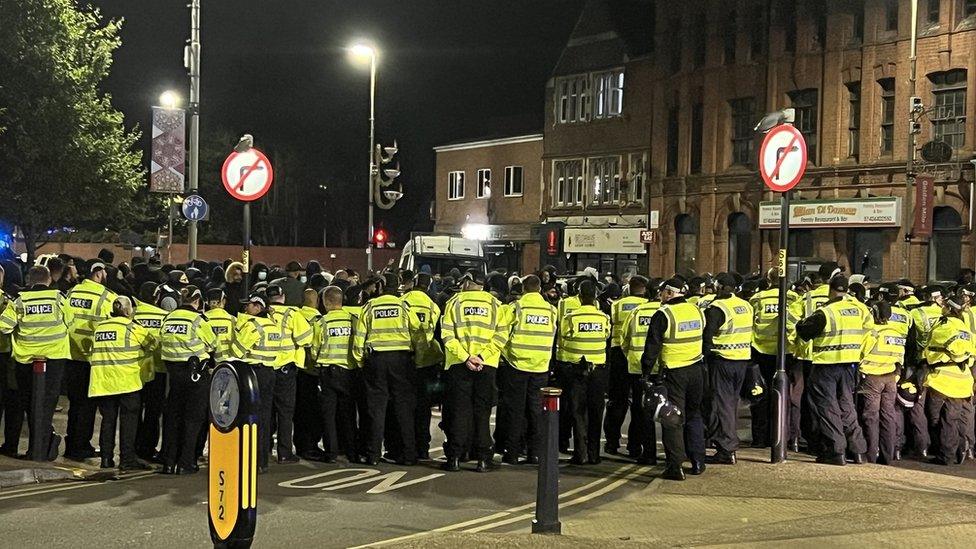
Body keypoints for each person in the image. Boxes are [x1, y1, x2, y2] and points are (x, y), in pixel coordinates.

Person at [0, 266, 73, 460]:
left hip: (26, 359)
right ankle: (42, 445)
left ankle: (40, 446)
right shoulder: (58, 298)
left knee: (30, 403)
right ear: (49, 279)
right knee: (47, 404)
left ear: (30, 280)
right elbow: (71, 321)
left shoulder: (19, 300)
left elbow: (4, 327)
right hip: (54, 358)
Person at [795, 275, 868, 465]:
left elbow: (804, 331)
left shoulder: (826, 312)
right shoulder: (857, 310)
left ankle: (836, 452)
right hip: (850, 365)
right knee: (847, 406)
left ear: (830, 289)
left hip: (826, 366)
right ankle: (858, 451)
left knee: (828, 408)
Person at [440, 271, 508, 472]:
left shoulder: (455, 303)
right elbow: (501, 336)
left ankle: (454, 457)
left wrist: (465, 357)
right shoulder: (496, 305)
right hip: (486, 366)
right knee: (482, 412)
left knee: (459, 411)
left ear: (468, 283)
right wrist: (482, 357)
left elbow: (447, 335)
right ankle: (483, 459)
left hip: (459, 366)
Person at [640, 278, 707, 481]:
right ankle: (697, 461)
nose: (661, 296)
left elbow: (652, 348)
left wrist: (645, 374)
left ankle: (675, 466)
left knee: (672, 418)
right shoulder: (697, 310)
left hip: (674, 372)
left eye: (663, 292)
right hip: (696, 369)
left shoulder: (663, 314)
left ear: (669, 293)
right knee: (694, 415)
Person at [353, 273, 421, 466]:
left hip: (377, 361)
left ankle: (373, 455)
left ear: (381, 287)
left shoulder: (369, 307)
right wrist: (417, 359)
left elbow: (359, 338)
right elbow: (418, 334)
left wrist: (360, 362)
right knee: (404, 409)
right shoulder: (404, 307)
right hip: (402, 361)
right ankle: (408, 454)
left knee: (376, 410)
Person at [87, 296, 156, 471]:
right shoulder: (134, 329)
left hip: (103, 382)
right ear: (127, 311)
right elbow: (153, 344)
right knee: (128, 423)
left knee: (108, 421)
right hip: (127, 383)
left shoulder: (99, 328)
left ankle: (106, 458)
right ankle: (127, 459)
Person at [496, 274, 556, 465]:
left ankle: (512, 452)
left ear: (523, 289)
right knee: (536, 411)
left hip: (517, 364)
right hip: (540, 366)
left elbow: (503, 334)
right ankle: (535, 453)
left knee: (516, 410)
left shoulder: (517, 307)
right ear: (539, 289)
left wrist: (506, 354)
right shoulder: (551, 310)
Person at [158, 286, 216, 474]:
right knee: (193, 419)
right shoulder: (199, 320)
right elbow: (214, 343)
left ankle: (168, 462)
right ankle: (186, 462)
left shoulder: (168, 318)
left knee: (173, 418)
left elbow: (162, 342)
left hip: (173, 375)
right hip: (195, 375)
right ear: (198, 300)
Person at [63, 261, 117, 461]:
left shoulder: (72, 292)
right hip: (91, 357)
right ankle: (81, 446)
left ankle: (72, 444)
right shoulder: (107, 297)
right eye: (103, 271)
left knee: (75, 404)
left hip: (70, 354)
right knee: (87, 406)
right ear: (98, 273)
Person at [555, 279, 611, 466]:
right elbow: (606, 336)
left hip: (576, 370)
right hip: (598, 370)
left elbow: (563, 338)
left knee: (578, 412)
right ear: (595, 297)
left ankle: (581, 453)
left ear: (579, 297)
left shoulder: (570, 318)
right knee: (596, 412)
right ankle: (594, 454)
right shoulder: (603, 318)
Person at [703, 273, 754, 464]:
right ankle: (727, 443)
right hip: (742, 360)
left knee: (722, 404)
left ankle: (726, 448)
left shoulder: (717, 308)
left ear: (722, 287)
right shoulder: (745, 305)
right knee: (731, 404)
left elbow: (707, 338)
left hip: (722, 360)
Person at [923, 289, 976, 465]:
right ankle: (955, 451)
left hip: (942, 380)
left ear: (949, 307)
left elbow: (942, 345)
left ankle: (945, 454)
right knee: (952, 419)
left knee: (937, 418)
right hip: (962, 381)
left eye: (944, 304)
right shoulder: (965, 329)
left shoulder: (945, 326)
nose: (942, 307)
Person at [750, 268, 799, 449]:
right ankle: (781, 438)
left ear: (768, 279)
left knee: (760, 396)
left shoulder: (758, 298)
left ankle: (760, 438)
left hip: (761, 351)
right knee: (784, 397)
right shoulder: (794, 297)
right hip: (786, 352)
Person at [232, 293, 281, 473]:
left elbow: (236, 350)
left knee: (249, 417)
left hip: (254, 375)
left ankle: (250, 460)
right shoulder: (273, 326)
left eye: (250, 305)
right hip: (270, 373)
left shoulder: (253, 326)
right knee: (265, 418)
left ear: (258, 307)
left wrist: (238, 330)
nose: (246, 308)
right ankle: (262, 461)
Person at [266, 284, 314, 464]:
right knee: (285, 413)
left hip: (265, 368)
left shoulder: (262, 313)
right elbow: (306, 339)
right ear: (283, 297)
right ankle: (284, 453)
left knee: (267, 411)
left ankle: (265, 448)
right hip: (286, 369)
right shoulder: (292, 314)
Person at [313, 286, 360, 463]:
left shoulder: (322, 322)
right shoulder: (352, 320)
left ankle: (331, 452)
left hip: (328, 372)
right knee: (348, 414)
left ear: (326, 302)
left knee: (329, 415)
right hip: (349, 372)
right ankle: (352, 451)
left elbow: (315, 348)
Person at [401, 272, 444, 460]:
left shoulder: (403, 301)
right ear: (428, 286)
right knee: (424, 406)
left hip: (406, 360)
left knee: (405, 405)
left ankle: (407, 447)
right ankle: (422, 447)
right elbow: (436, 334)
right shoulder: (433, 306)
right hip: (427, 360)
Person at [604, 276, 647, 456]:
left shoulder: (616, 305)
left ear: (628, 289)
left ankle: (612, 443)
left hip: (619, 356)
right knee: (639, 404)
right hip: (640, 357)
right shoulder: (649, 306)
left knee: (617, 401)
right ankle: (635, 446)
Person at [619, 283, 662, 464]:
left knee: (640, 411)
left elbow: (624, 340)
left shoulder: (636, 313)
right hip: (662, 368)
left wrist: (631, 356)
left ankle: (639, 449)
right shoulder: (666, 312)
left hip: (638, 368)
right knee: (666, 411)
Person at [856, 301, 902, 465]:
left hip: (872, 379)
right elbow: (899, 359)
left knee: (871, 416)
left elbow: (860, 354)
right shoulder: (896, 333)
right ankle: (887, 455)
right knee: (888, 416)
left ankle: (870, 454)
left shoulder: (872, 333)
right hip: (890, 379)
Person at [908, 285, 945, 457]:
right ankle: (939, 445)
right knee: (939, 408)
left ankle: (921, 445)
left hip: (919, 364)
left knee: (917, 405)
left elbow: (911, 340)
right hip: (941, 365)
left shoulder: (916, 313)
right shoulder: (946, 314)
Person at [133, 282, 168, 462]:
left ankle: (134, 446)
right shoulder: (164, 317)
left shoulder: (132, 314)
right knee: (153, 413)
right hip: (158, 369)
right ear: (156, 297)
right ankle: (147, 448)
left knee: (135, 411)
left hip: (135, 369)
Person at [295, 288, 327, 462]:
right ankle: (310, 447)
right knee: (312, 412)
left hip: (296, 369)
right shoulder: (318, 320)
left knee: (298, 411)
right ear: (316, 302)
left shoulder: (295, 316)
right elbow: (318, 345)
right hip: (312, 371)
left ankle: (300, 444)